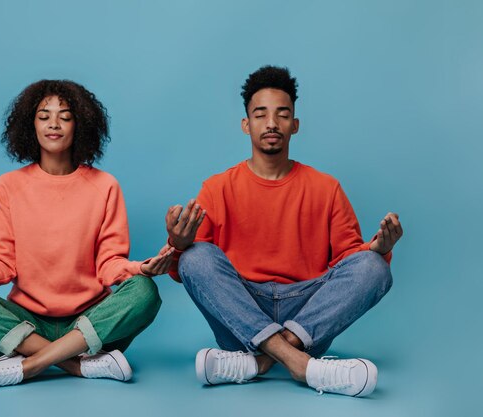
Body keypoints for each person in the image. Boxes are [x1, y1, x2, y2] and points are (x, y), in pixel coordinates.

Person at [0, 80, 172, 391]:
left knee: (144, 292)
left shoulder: (105, 186)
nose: (54, 124)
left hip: (88, 324)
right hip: (26, 326)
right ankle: (76, 365)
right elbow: (0, 266)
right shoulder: (7, 187)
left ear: (81, 124)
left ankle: (29, 365)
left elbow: (109, 264)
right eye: (44, 116)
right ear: (29, 125)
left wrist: (140, 269)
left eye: (65, 115)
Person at [165, 66, 403, 397]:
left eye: (283, 115)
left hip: (308, 317)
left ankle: (260, 361)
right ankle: (302, 365)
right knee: (196, 257)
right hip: (241, 314)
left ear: (295, 125)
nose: (272, 124)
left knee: (375, 267)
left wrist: (378, 249)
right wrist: (178, 244)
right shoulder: (217, 188)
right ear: (246, 125)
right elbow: (189, 270)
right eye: (261, 115)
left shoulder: (326, 188)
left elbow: (351, 261)